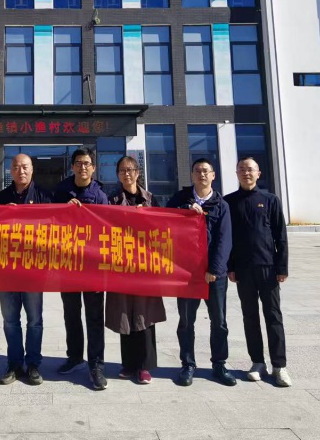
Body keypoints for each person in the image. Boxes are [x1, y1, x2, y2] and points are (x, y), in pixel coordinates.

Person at [167, 158, 236, 387]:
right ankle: (188, 364)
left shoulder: (221, 205)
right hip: (187, 274)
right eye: (197, 170)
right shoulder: (181, 199)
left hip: (214, 276)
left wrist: (214, 269)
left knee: (219, 321)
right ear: (192, 175)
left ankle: (219, 364)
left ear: (213, 175)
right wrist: (185, 211)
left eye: (206, 171)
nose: (202, 174)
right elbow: (164, 219)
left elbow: (224, 240)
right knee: (186, 321)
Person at [225, 156, 291, 387]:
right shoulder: (229, 202)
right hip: (243, 270)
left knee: (273, 316)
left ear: (258, 173)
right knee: (250, 317)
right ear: (237, 173)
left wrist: (282, 267)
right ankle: (257, 362)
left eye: (250, 169)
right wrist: (230, 267)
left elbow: (280, 236)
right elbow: (227, 238)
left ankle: (279, 366)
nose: (246, 173)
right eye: (242, 169)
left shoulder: (270, 200)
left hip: (268, 268)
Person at [52, 147, 110, 391]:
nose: (82, 167)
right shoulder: (61, 190)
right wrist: (65, 210)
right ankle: (74, 356)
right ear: (72, 166)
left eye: (87, 163)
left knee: (95, 317)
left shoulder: (101, 195)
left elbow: (107, 227)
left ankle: (96, 365)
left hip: (93, 265)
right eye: (78, 163)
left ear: (93, 168)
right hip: (68, 263)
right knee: (71, 313)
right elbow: (50, 222)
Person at [105, 156, 165, 384]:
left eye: (130, 170)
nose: (126, 174)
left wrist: (146, 218)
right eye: (122, 170)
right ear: (118, 175)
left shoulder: (150, 199)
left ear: (138, 173)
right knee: (125, 315)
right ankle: (129, 364)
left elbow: (162, 229)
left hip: (145, 267)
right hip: (121, 266)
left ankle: (145, 366)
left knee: (144, 315)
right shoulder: (112, 200)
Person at [0, 153, 49, 385]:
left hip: (33, 269)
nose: (21, 171)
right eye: (16, 167)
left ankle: (33, 364)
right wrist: (4, 216)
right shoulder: (2, 197)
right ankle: (14, 364)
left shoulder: (44, 195)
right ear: (10, 170)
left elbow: (53, 227)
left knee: (34, 320)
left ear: (32, 169)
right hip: (6, 268)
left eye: (25, 167)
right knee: (10, 320)